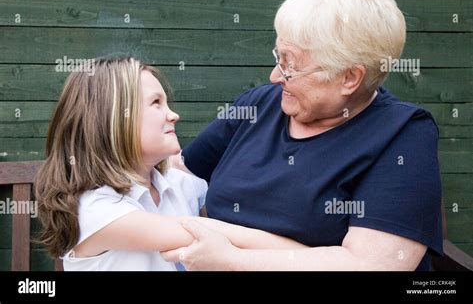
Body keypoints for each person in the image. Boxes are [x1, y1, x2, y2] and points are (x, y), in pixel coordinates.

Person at [163, 0, 443, 271]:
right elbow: (179, 171)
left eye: (290, 65)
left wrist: (232, 258)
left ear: (349, 77)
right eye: (278, 58)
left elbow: (373, 266)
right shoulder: (259, 105)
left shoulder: (403, 135)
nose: (274, 77)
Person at [35, 57, 305, 271]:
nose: (174, 115)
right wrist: (311, 256)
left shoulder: (178, 185)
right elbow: (215, 234)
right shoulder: (96, 209)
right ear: (113, 119)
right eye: (156, 104)